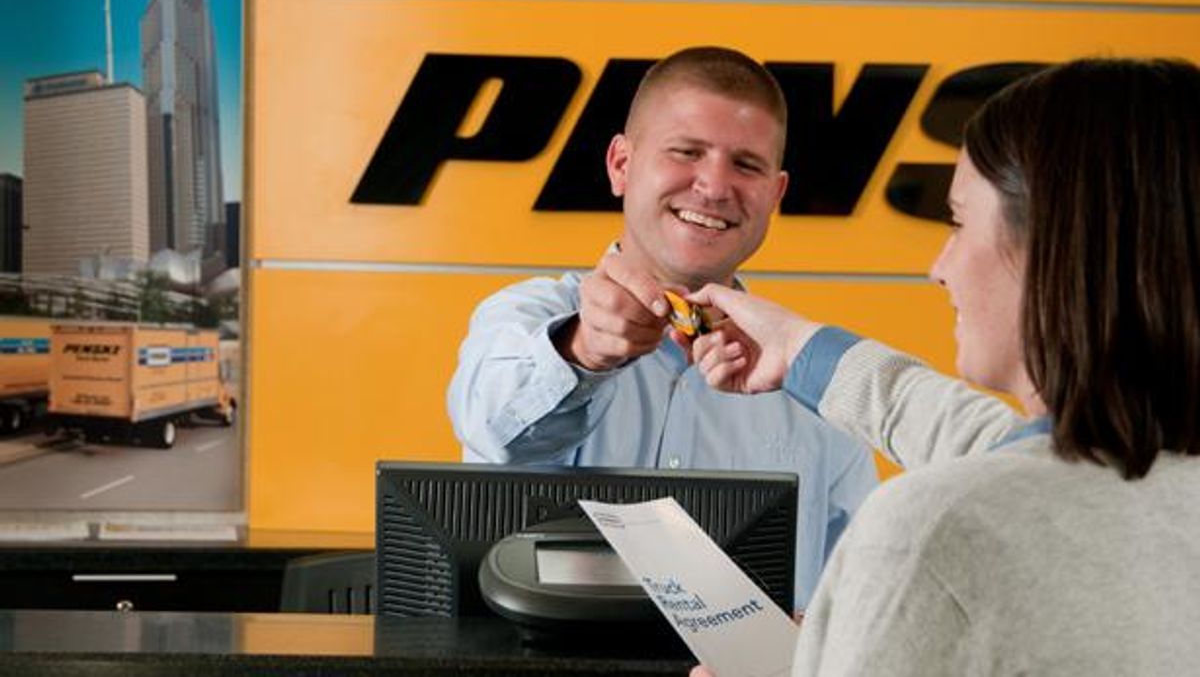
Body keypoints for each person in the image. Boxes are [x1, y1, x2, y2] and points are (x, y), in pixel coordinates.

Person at [688, 57, 1200, 676]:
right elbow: (1003, 453)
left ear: (1054, 250)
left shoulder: (936, 531)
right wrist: (798, 347)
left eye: (957, 222)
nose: (940, 266)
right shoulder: (1143, 488)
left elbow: (997, 491)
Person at [446, 46, 878, 610]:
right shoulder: (526, 319)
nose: (715, 186)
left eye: (746, 165)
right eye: (686, 152)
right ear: (621, 165)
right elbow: (493, 428)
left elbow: (860, 606)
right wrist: (582, 352)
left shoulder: (811, 384)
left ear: (775, 195)